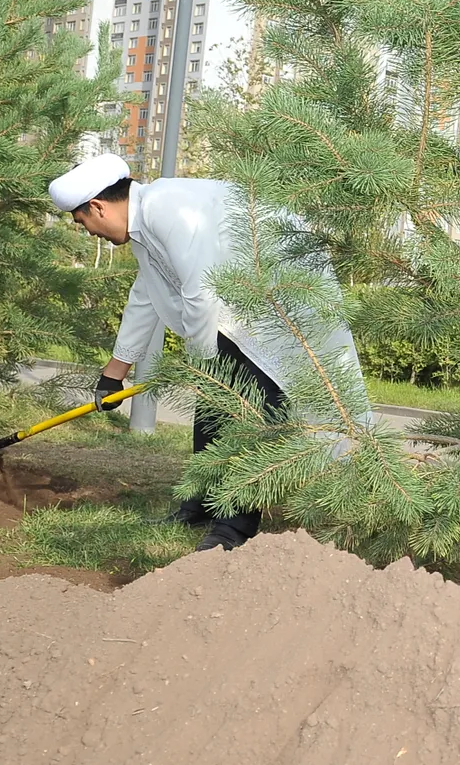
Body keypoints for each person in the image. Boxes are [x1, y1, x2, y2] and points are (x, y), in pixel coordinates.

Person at [50, 153, 368, 552]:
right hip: (236, 309)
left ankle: (233, 527)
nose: (88, 233)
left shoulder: (167, 208)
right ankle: (203, 499)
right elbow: (146, 295)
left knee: (246, 414)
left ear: (97, 207)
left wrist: (204, 368)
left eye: (83, 223)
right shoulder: (145, 224)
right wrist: (114, 372)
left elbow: (200, 293)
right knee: (215, 408)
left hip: (280, 304)